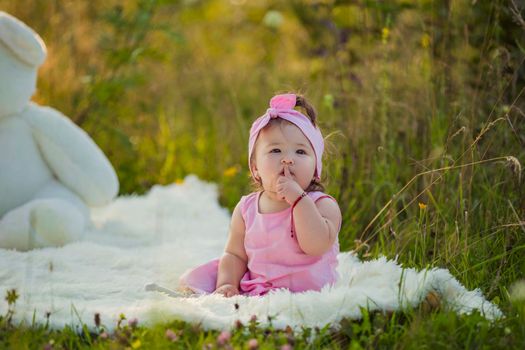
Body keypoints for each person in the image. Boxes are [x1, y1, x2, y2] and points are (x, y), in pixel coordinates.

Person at [179, 93, 342, 297]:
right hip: (259, 293)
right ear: (255, 168)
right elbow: (235, 255)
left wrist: (299, 200)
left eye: (300, 152)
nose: (288, 160)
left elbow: (315, 246)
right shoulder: (247, 209)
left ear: (315, 168)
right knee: (207, 276)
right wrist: (228, 283)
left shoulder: (323, 206)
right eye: (275, 151)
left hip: (308, 295)